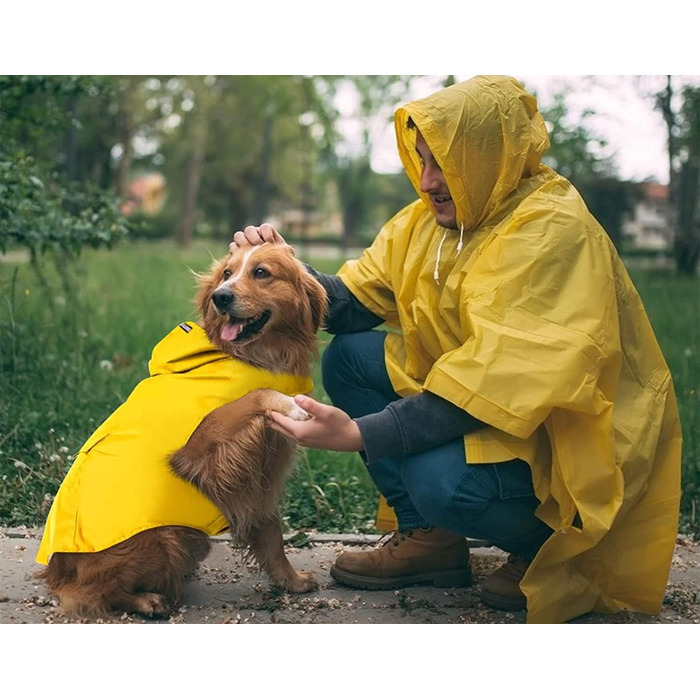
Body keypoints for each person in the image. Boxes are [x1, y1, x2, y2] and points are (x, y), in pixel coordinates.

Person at [232, 75, 682, 624]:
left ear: (491, 156)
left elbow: (489, 388)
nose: (427, 182)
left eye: (444, 162)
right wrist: (280, 268)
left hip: (565, 441)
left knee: (439, 481)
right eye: (421, 160)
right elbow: (348, 302)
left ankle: (544, 544)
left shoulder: (550, 231)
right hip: (485, 404)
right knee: (350, 354)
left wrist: (358, 433)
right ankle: (430, 543)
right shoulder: (431, 221)